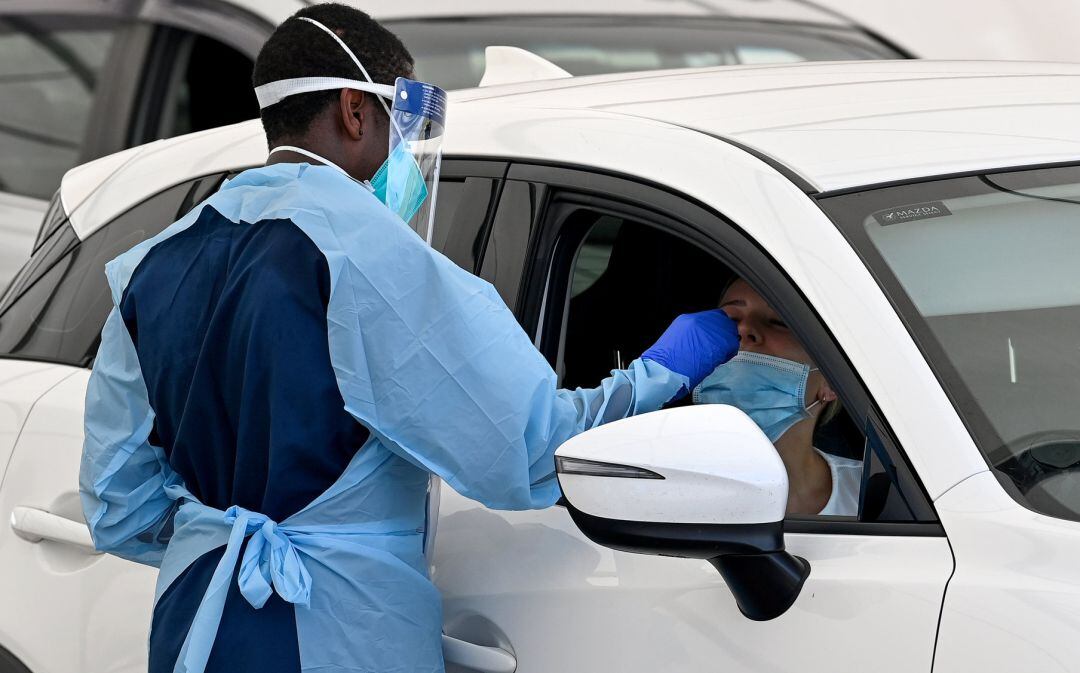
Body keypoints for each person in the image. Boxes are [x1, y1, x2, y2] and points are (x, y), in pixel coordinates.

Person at [78, 5, 740, 673]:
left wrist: (215, 535)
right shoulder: (368, 253)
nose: (407, 146)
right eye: (403, 118)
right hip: (334, 628)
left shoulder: (151, 266)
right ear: (354, 112)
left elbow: (119, 506)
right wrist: (663, 367)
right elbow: (529, 448)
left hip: (193, 623)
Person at [693, 278, 861, 516]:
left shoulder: (878, 495)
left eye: (779, 322)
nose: (743, 330)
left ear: (831, 381)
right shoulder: (667, 491)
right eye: (730, 319)